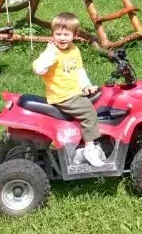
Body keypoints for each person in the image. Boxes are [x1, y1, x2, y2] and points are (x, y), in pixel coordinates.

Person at [32, 12, 106, 167]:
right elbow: (38, 69)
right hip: (62, 95)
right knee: (89, 112)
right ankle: (90, 148)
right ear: (52, 34)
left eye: (66, 34)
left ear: (75, 34)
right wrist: (49, 56)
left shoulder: (74, 50)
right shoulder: (51, 51)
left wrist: (86, 85)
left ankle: (81, 141)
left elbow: (79, 71)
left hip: (74, 92)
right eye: (58, 34)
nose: (62, 38)